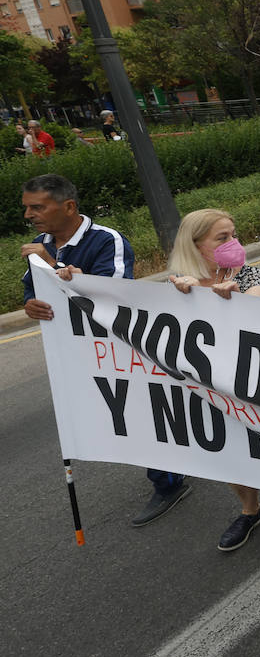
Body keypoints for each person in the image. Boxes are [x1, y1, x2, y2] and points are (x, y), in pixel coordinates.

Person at [20, 173, 190, 526]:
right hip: (79, 349)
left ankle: (169, 481)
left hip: (118, 347)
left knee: (141, 410)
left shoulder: (106, 240)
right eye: (27, 208)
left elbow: (109, 296)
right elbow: (33, 290)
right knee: (118, 413)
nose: (29, 215)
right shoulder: (40, 242)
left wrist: (51, 264)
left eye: (37, 207)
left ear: (68, 206)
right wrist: (30, 304)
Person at [165, 209, 260, 551]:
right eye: (222, 238)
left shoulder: (248, 275)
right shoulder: (178, 283)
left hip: (258, 382)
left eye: (233, 235)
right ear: (195, 245)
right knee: (224, 450)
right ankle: (251, 509)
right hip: (209, 389)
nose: (234, 243)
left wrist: (235, 301)